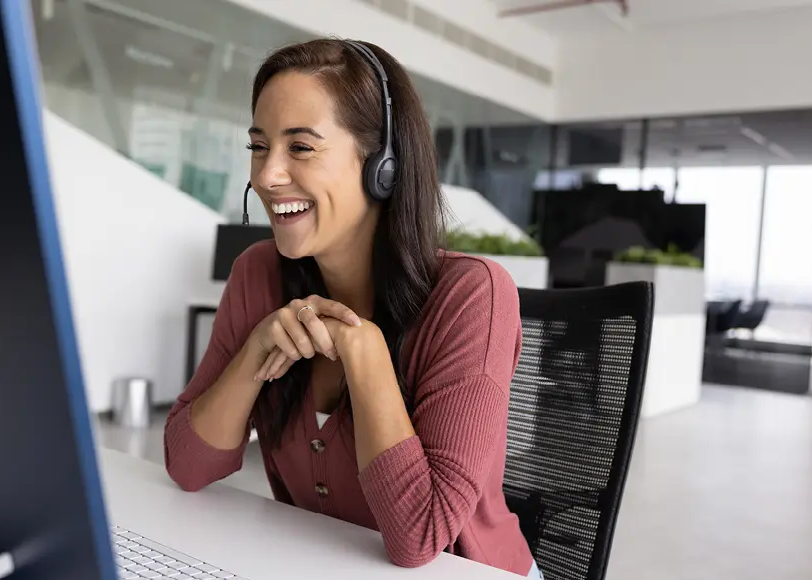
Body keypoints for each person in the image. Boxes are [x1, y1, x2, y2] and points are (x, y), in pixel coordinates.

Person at [164, 38, 540, 578]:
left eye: (300, 147)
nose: (267, 175)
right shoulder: (258, 274)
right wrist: (255, 351)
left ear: (381, 164)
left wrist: (365, 357)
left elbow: (419, 539)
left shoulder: (471, 295)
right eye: (258, 146)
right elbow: (187, 466)